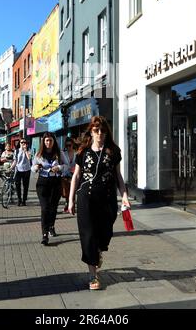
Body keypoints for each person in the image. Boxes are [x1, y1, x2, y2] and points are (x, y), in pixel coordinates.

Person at [68, 115, 130, 291]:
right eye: (96, 130)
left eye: (102, 130)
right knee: (88, 236)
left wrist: (124, 195)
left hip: (107, 199)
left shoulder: (113, 151)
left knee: (105, 234)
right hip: (86, 198)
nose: (100, 133)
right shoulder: (83, 151)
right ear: (91, 132)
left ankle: (99, 250)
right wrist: (71, 200)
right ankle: (93, 275)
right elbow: (76, 176)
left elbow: (118, 176)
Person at [31, 132, 68, 245]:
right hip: (42, 183)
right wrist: (36, 167)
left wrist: (59, 167)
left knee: (53, 208)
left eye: (50, 140)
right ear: (43, 142)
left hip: (55, 183)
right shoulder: (39, 154)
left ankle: (51, 225)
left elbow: (67, 166)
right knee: (45, 208)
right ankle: (44, 234)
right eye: (46, 140)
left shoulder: (59, 153)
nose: (48, 142)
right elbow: (32, 167)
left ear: (53, 141)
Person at [11, 138, 31, 206]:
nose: (23, 144)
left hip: (26, 170)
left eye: (24, 142)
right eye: (22, 142)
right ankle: (19, 199)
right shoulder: (16, 151)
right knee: (17, 185)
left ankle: (24, 200)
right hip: (18, 170)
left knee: (25, 186)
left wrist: (25, 151)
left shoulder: (28, 150)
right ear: (19, 143)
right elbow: (15, 161)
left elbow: (29, 158)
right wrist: (11, 167)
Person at [61, 137, 76, 213]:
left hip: (74, 175)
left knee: (72, 191)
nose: (68, 147)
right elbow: (60, 163)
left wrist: (75, 168)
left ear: (73, 145)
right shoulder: (63, 153)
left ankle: (71, 205)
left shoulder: (76, 153)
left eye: (69, 145)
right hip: (65, 175)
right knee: (65, 192)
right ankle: (67, 203)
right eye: (66, 146)